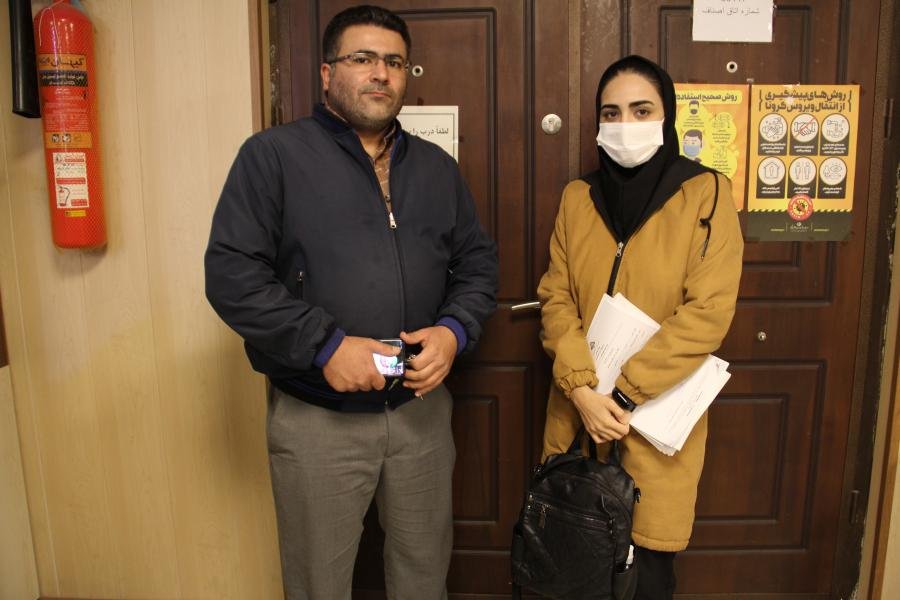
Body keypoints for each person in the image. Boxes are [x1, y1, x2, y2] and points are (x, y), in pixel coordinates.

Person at [204, 5, 498, 599]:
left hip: (420, 413)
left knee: (423, 577)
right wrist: (325, 346)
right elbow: (233, 275)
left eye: (394, 62)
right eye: (362, 58)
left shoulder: (437, 169)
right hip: (318, 419)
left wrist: (454, 331)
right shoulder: (272, 157)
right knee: (320, 583)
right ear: (326, 72)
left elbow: (476, 265)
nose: (380, 73)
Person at [537, 55, 743, 599]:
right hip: (578, 415)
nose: (625, 124)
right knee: (571, 567)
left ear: (666, 116)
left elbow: (708, 312)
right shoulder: (578, 197)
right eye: (612, 113)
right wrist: (582, 390)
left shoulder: (707, 193)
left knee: (646, 573)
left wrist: (623, 395)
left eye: (641, 110)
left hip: (651, 420)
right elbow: (556, 297)